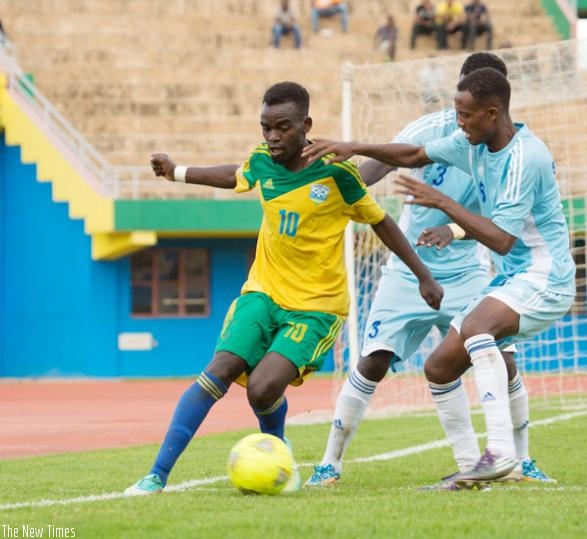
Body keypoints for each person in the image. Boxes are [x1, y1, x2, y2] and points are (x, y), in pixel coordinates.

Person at [123, 82, 443, 495]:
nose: (272, 137)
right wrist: (177, 171)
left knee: (262, 389)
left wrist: (423, 275)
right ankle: (155, 476)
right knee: (220, 369)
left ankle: (279, 450)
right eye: (265, 127)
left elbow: (381, 221)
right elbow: (236, 176)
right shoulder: (262, 160)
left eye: (282, 127)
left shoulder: (337, 173)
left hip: (316, 307)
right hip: (263, 291)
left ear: (305, 125)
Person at [302, 67, 576, 489]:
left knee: (481, 333)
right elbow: (411, 155)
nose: (458, 121)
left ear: (492, 111)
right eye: (456, 112)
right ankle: (473, 468)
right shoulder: (470, 144)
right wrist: (349, 146)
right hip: (500, 278)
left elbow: (502, 240)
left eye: (465, 114)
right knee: (440, 366)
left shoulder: (527, 156)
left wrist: (443, 205)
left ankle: (505, 455)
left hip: (543, 274)